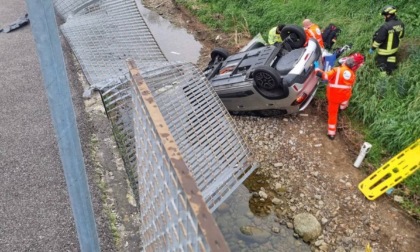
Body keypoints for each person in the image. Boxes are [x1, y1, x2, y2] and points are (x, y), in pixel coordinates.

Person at [313, 58, 356, 140]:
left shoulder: (337, 70)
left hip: (334, 97)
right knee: (340, 107)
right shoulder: (352, 74)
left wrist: (317, 68)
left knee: (333, 114)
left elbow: (324, 76)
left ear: (344, 63)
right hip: (344, 98)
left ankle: (331, 133)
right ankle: (342, 107)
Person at [369, 5, 405, 75]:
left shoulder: (386, 26)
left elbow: (379, 40)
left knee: (381, 66)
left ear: (388, 15)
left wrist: (372, 48)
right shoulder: (401, 24)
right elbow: (401, 36)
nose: (384, 17)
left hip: (384, 51)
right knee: (391, 61)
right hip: (394, 49)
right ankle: (391, 74)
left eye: (384, 15)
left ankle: (383, 81)